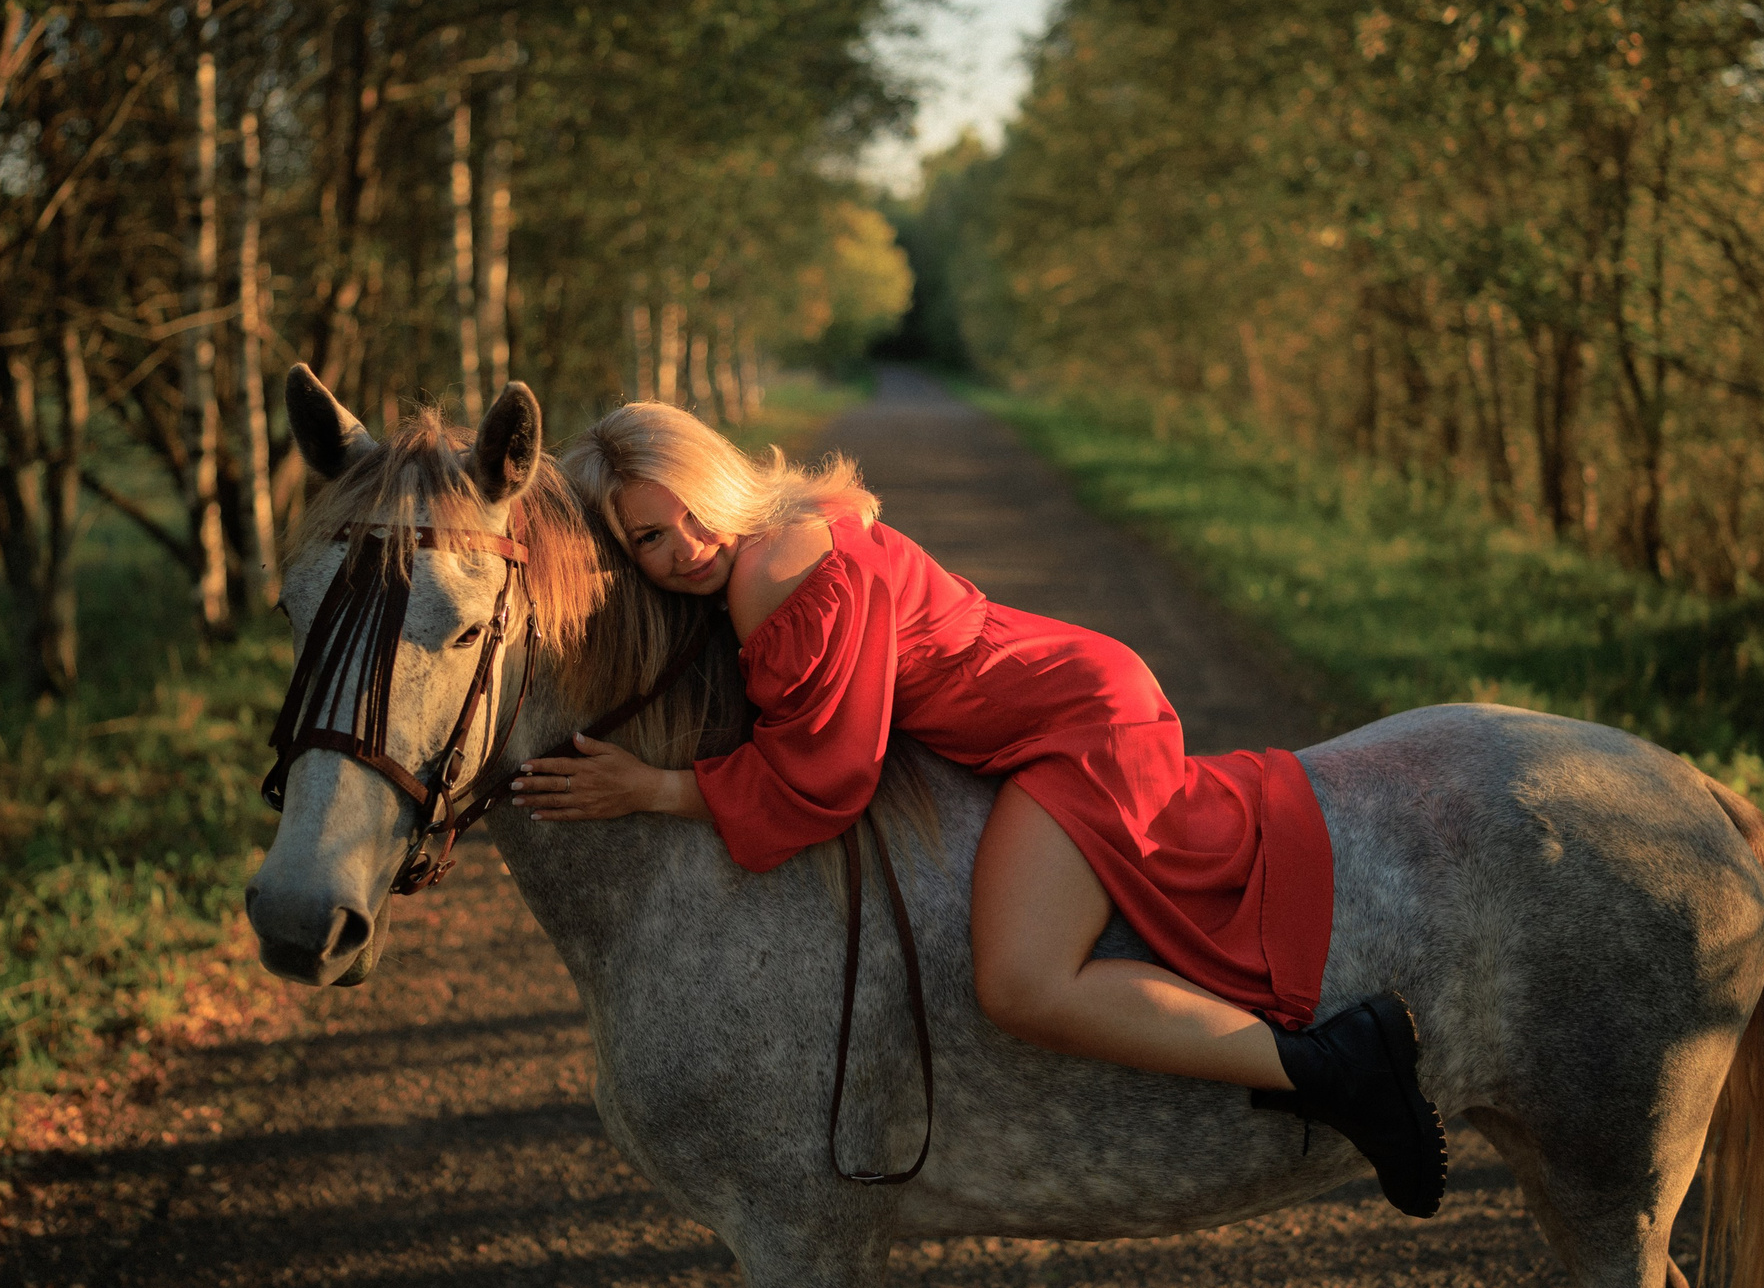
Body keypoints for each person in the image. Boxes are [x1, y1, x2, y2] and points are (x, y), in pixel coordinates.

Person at [511, 403, 1446, 1215]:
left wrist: (654, 788)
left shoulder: (770, 577)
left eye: (694, 510)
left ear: (721, 481)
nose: (688, 547)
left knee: (1023, 984)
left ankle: (1334, 1066)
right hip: (1064, 682)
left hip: (1072, 724)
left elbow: (825, 778)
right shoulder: (792, 516)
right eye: (650, 539)